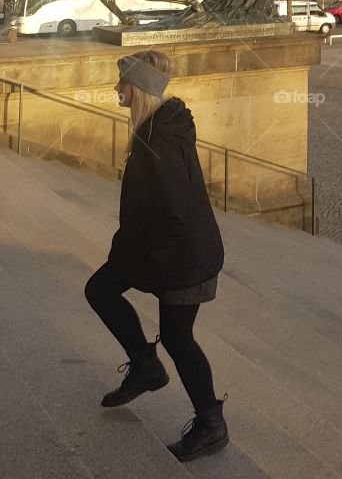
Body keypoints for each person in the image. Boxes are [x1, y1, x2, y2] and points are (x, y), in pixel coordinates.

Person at [84, 50, 227, 461]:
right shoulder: (155, 127)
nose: (116, 89)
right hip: (164, 250)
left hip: (182, 257)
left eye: (122, 83)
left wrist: (151, 269)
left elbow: (174, 212)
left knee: (179, 339)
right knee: (101, 289)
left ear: (140, 88)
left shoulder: (159, 138)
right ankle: (146, 365)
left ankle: (211, 424)